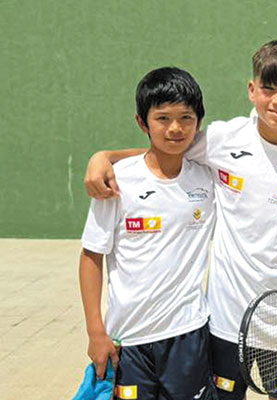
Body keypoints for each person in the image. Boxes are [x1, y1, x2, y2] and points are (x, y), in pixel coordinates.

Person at [83, 40, 277, 400]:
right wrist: (105, 156)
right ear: (252, 90)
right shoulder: (224, 138)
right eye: (268, 89)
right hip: (223, 314)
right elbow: (166, 149)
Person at [79, 67, 217, 399]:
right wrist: (96, 331)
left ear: (198, 122)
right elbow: (91, 256)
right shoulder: (116, 182)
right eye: (162, 118)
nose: (175, 128)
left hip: (188, 334)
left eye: (186, 117)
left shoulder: (208, 178)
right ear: (143, 123)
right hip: (129, 339)